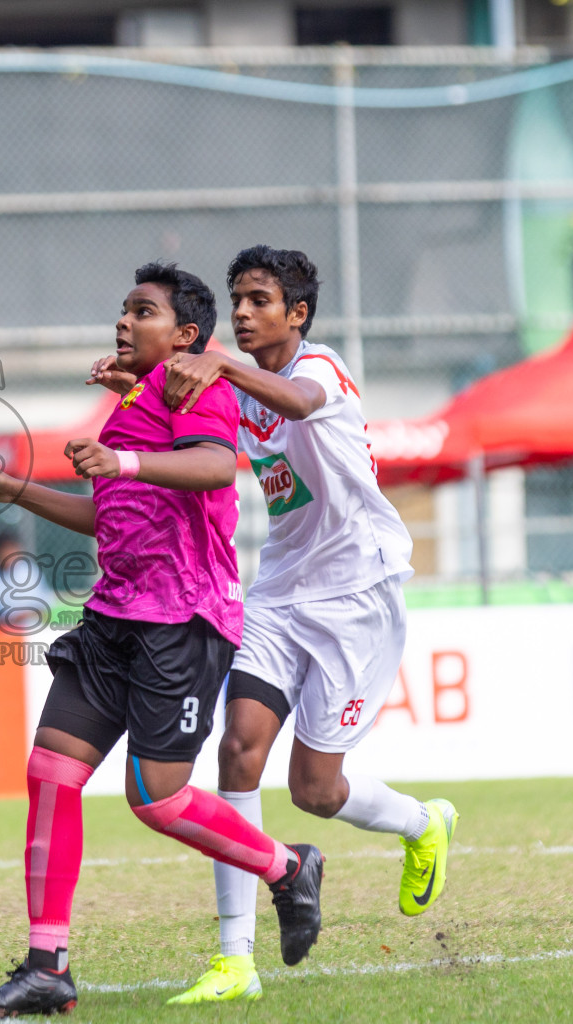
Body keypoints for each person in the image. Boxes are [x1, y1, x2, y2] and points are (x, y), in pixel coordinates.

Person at [0, 262, 325, 1019]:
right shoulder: (131, 401)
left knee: (156, 801)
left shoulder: (199, 387)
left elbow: (218, 466)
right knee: (51, 771)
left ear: (187, 336)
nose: (123, 323)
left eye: (142, 312)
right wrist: (16, 489)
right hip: (114, 619)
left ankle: (288, 868)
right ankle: (47, 964)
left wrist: (123, 457)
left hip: (182, 622)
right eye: (123, 310)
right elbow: (110, 518)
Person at [95, 245, 458, 1005]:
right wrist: (139, 387)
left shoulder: (320, 369)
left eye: (261, 300)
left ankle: (422, 823)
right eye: (238, 300)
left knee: (317, 791)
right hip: (282, 591)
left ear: (297, 314)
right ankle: (236, 961)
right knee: (237, 750)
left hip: (359, 592)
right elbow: (195, 436)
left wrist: (219, 362)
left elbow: (294, 402)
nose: (246, 312)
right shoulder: (237, 385)